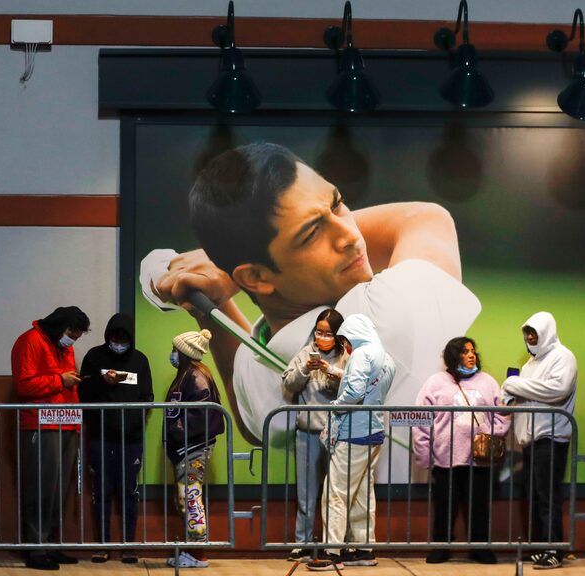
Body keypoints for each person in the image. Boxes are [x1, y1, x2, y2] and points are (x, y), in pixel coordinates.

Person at [142, 142, 480, 481]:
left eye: (337, 204)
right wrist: (224, 272)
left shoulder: (260, 367)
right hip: (425, 527)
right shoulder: (380, 316)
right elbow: (427, 218)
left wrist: (215, 293)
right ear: (257, 277)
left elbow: (248, 414)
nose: (349, 234)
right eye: (312, 233)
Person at [412, 337, 510, 565]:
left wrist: (492, 434)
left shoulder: (487, 381)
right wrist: (424, 454)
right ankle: (441, 547)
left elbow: (503, 414)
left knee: (479, 505)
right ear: (453, 355)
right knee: (445, 505)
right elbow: (421, 419)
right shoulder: (435, 383)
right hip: (445, 457)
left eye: (473, 351)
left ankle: (480, 548)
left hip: (480, 458)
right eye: (465, 351)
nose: (471, 355)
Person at [311, 314, 395, 571]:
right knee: (362, 493)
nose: (345, 346)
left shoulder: (360, 354)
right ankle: (363, 548)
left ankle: (331, 551)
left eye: (345, 340)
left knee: (336, 492)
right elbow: (369, 387)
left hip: (353, 432)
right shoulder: (386, 357)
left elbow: (355, 391)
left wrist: (336, 405)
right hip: (374, 431)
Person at [11, 306, 90, 571]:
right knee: (41, 488)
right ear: (59, 326)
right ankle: (36, 547)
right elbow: (24, 384)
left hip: (66, 422)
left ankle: (51, 544)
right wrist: (60, 381)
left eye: (76, 337)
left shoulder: (63, 345)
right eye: (71, 334)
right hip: (40, 424)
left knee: (58, 490)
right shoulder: (29, 341)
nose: (72, 340)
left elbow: (65, 379)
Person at [501, 311, 577, 570]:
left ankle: (554, 548)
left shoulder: (563, 357)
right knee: (534, 495)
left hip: (551, 437)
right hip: (530, 440)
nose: (530, 338)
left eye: (533, 333)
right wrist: (511, 391)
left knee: (548, 495)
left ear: (547, 332)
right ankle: (540, 546)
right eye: (527, 333)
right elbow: (513, 394)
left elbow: (558, 390)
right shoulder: (529, 365)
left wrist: (514, 385)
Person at [78, 313, 153, 564]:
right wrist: (102, 383)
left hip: (131, 438)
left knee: (129, 491)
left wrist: (134, 419)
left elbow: (148, 397)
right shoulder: (94, 357)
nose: (118, 342)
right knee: (101, 491)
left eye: (123, 338)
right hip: (100, 436)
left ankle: (129, 545)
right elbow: (83, 392)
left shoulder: (140, 360)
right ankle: (103, 545)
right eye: (114, 337)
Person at [281, 308, 348, 562]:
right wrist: (306, 369)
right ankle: (303, 543)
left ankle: (335, 544)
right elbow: (288, 383)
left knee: (336, 492)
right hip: (307, 432)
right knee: (306, 492)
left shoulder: (346, 356)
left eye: (329, 333)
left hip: (338, 434)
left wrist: (331, 371)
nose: (322, 337)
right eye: (319, 332)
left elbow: (352, 388)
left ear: (338, 335)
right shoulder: (305, 352)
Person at [163, 329, 225, 569]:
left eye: (174, 349)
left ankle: (198, 554)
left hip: (193, 447)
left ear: (184, 352)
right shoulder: (187, 374)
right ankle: (192, 550)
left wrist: (176, 432)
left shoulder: (196, 376)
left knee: (190, 497)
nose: (172, 354)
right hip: (185, 448)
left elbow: (201, 414)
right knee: (187, 497)